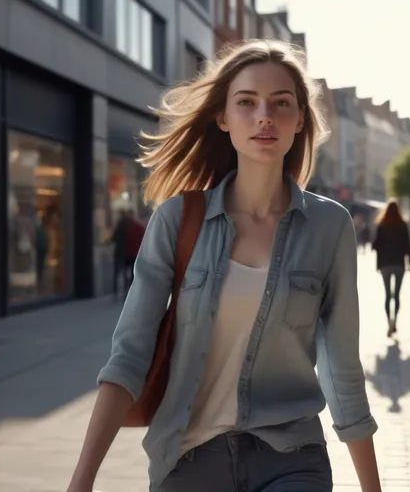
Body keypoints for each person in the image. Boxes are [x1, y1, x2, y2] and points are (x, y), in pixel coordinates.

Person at [66, 40, 381, 492]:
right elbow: (129, 356)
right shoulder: (177, 219)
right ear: (223, 118)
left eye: (281, 104)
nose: (264, 117)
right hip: (190, 459)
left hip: (292, 459)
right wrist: (82, 480)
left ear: (299, 122)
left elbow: (341, 366)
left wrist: (372, 487)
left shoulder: (330, 226)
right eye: (246, 102)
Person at [372, 199, 410, 337]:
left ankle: (389, 322)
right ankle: (395, 322)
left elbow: (376, 246)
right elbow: (408, 246)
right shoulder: (403, 225)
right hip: (399, 263)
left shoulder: (381, 225)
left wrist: (377, 265)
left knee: (388, 294)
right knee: (397, 295)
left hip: (385, 264)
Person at [124, 209, 146, 288]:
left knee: (127, 271)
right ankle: (132, 286)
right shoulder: (137, 226)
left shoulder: (126, 227)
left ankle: (127, 286)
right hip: (134, 253)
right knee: (133, 272)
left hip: (128, 253)